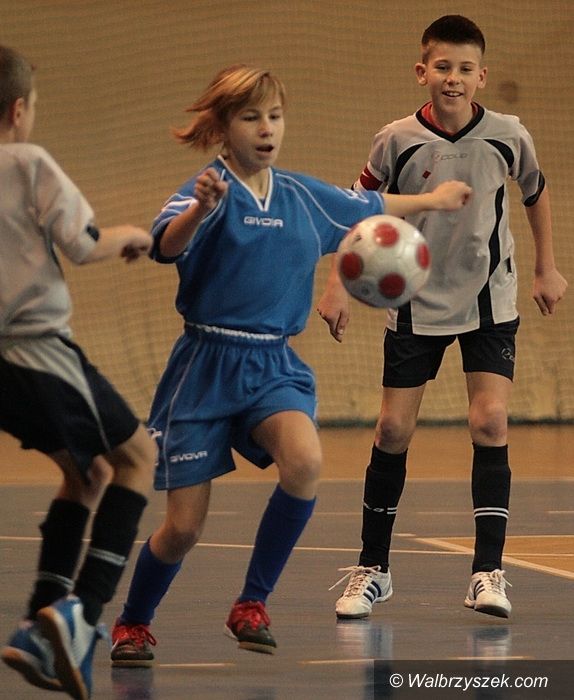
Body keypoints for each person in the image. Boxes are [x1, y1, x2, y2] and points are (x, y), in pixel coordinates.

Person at [108, 63, 471, 665]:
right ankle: (133, 622)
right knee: (183, 529)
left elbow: (369, 204)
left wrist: (433, 198)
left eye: (274, 116)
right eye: (251, 117)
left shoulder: (302, 197)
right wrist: (199, 211)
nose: (266, 128)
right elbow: (166, 246)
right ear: (223, 127)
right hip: (204, 367)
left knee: (304, 463)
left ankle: (252, 603)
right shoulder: (205, 190)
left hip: (273, 365)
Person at [318, 15, 568, 621]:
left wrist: (546, 268)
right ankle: (373, 570)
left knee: (490, 420)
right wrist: (337, 284)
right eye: (442, 67)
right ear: (422, 71)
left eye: (465, 69)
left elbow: (535, 193)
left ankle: (488, 572)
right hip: (415, 302)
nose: (453, 78)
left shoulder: (509, 134)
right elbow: (362, 210)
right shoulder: (396, 139)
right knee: (392, 431)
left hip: (489, 298)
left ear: (481, 76)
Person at [0, 45, 156, 700]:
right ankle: (84, 615)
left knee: (86, 473)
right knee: (139, 459)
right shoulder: (27, 162)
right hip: (35, 348)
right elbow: (84, 244)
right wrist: (133, 236)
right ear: (19, 110)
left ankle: (38, 627)